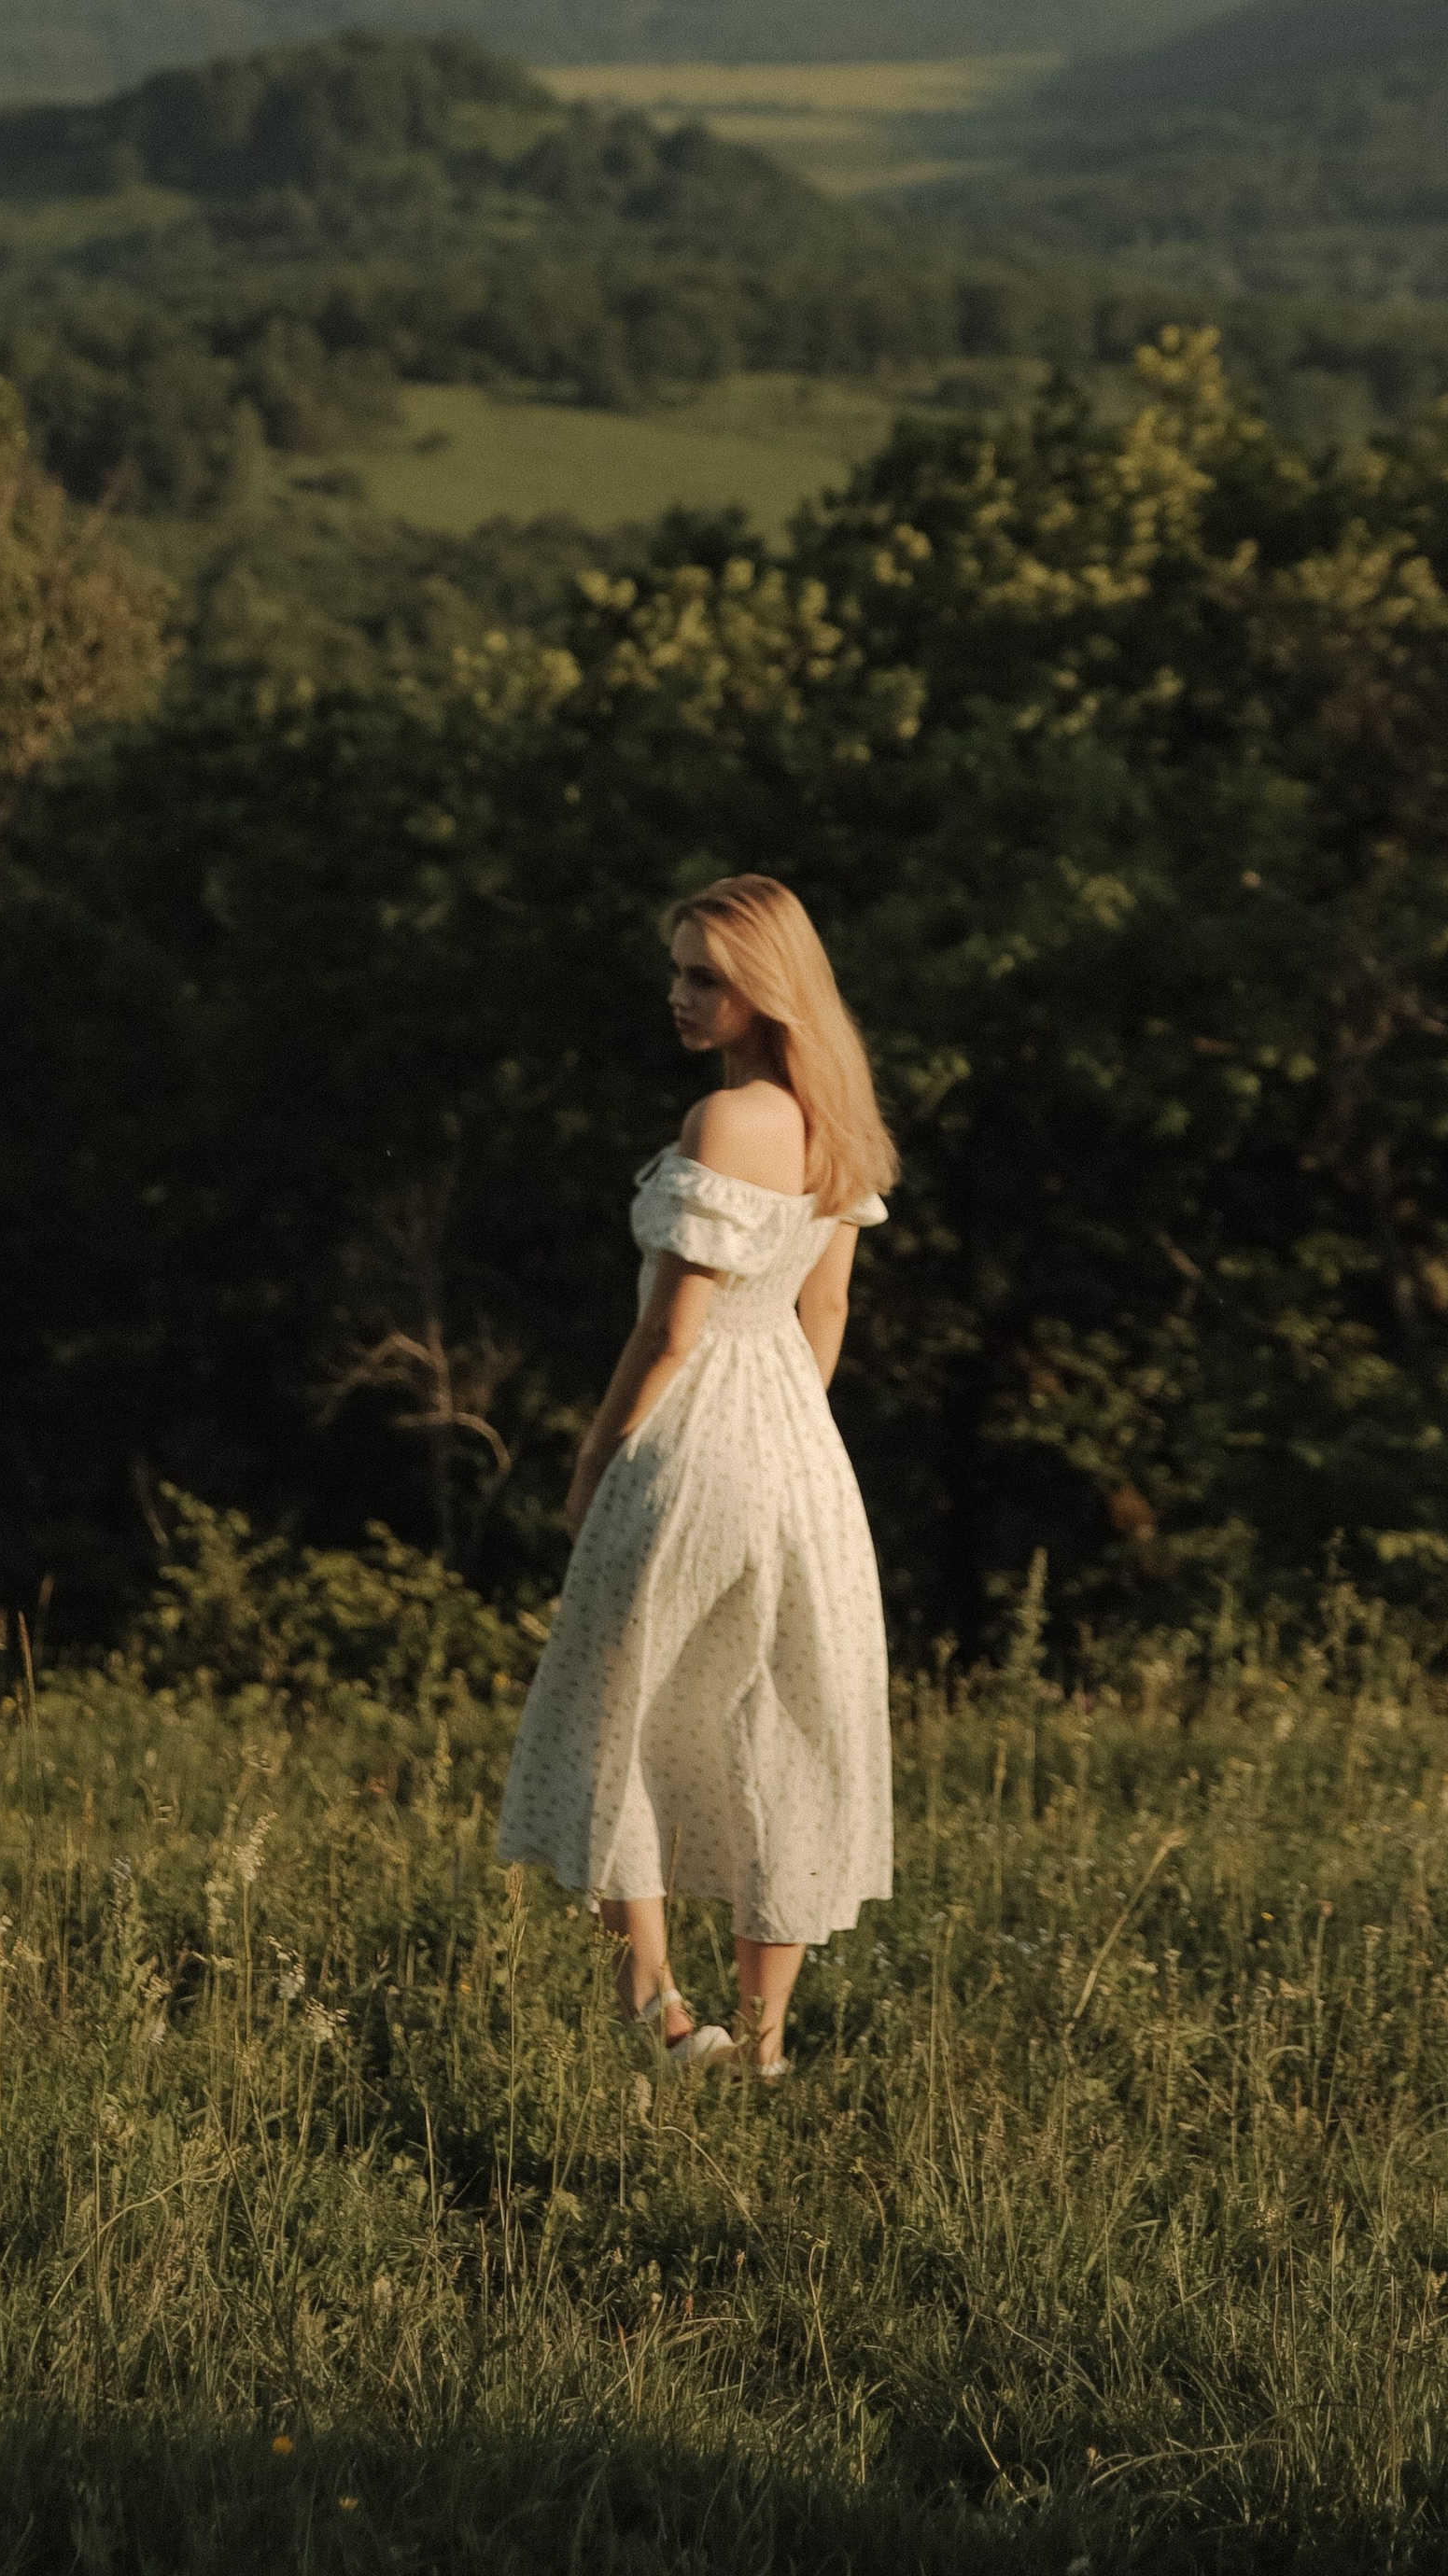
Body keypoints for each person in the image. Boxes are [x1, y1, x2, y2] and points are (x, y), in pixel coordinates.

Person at [497, 874, 898, 2082]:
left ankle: (660, 2012)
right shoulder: (840, 1130)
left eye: (704, 977)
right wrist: (788, 1445)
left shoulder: (720, 1127)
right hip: (799, 1451)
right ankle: (763, 2049)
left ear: (765, 989)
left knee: (622, 1707)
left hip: (694, 1435)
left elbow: (673, 1330)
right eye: (677, 972)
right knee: (781, 1726)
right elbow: (823, 1315)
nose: (678, 997)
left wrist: (591, 1453)